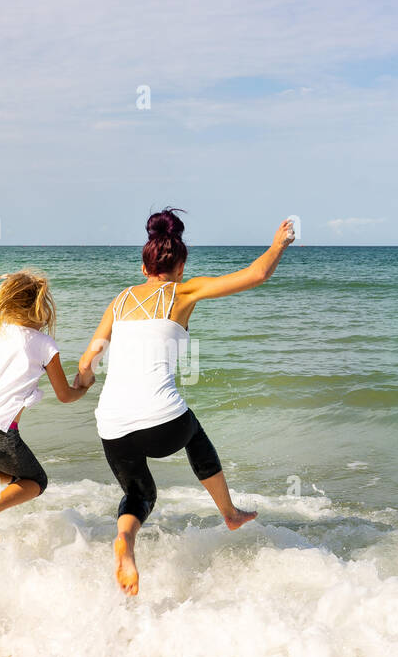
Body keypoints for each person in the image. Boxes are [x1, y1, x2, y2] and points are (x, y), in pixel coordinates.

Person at [76, 209, 296, 595]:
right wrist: (277, 245)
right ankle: (229, 513)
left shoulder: (121, 300)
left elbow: (87, 362)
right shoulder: (184, 290)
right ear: (180, 265)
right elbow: (256, 276)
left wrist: (80, 383)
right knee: (193, 432)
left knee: (139, 494)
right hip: (164, 424)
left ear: (144, 267)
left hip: (112, 428)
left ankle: (125, 540)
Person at [0, 270, 92, 550]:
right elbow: (64, 395)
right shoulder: (45, 345)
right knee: (36, 479)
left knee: (10, 470)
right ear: (42, 307)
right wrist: (83, 388)